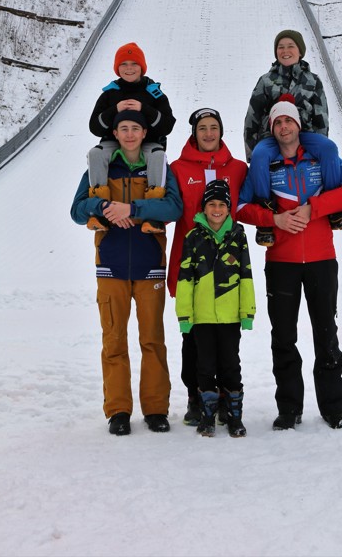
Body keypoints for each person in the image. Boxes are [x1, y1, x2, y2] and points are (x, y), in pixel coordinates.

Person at [237, 98, 342, 431]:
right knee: (283, 337)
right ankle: (289, 408)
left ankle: (334, 407)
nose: (284, 128)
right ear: (272, 130)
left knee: (327, 335)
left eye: (288, 122)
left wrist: (314, 208)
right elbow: (240, 207)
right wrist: (274, 219)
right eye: (277, 123)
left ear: (297, 126)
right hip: (281, 262)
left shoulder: (320, 158)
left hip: (322, 260)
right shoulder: (266, 164)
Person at [71, 109, 183, 436]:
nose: (130, 134)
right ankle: (118, 410)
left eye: (136, 128)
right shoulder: (103, 168)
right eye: (124, 129)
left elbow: (173, 207)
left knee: (152, 340)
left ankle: (155, 409)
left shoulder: (159, 169)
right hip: (111, 266)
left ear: (145, 132)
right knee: (114, 341)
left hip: (150, 267)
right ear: (116, 134)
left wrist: (133, 209)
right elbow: (77, 210)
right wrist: (104, 207)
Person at [168, 108, 248, 427]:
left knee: (227, 343)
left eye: (214, 127)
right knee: (194, 340)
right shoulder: (177, 168)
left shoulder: (239, 169)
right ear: (194, 133)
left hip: (227, 269)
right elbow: (167, 206)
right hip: (192, 266)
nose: (209, 133)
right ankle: (196, 396)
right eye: (203, 128)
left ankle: (227, 398)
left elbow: (250, 206)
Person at [244, 30, 342, 245]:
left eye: (290, 46)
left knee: (329, 148)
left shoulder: (312, 81)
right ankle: (265, 215)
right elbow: (253, 116)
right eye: (281, 47)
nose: (285, 51)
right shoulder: (267, 81)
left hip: (305, 134)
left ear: (300, 51)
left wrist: (318, 148)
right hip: (273, 135)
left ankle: (334, 208)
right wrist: (252, 152)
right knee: (259, 155)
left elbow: (321, 113)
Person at [175, 180, 256, 438]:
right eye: (212, 204)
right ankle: (207, 415)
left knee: (231, 365)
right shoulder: (194, 237)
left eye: (222, 204)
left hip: (230, 316)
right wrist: (185, 316)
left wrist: (247, 312)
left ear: (229, 208)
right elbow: (185, 280)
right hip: (203, 318)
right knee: (205, 366)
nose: (217, 209)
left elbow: (246, 275)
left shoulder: (238, 236)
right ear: (204, 208)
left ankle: (234, 416)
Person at [87, 42, 176, 234]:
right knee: (96, 154)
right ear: (117, 68)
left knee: (157, 155)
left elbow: (167, 125)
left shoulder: (153, 92)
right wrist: (115, 110)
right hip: (115, 142)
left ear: (142, 67)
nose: (129, 68)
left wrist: (145, 109)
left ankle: (153, 215)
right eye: (124, 64)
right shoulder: (110, 93)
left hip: (148, 143)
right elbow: (94, 126)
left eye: (134, 64)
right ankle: (101, 209)